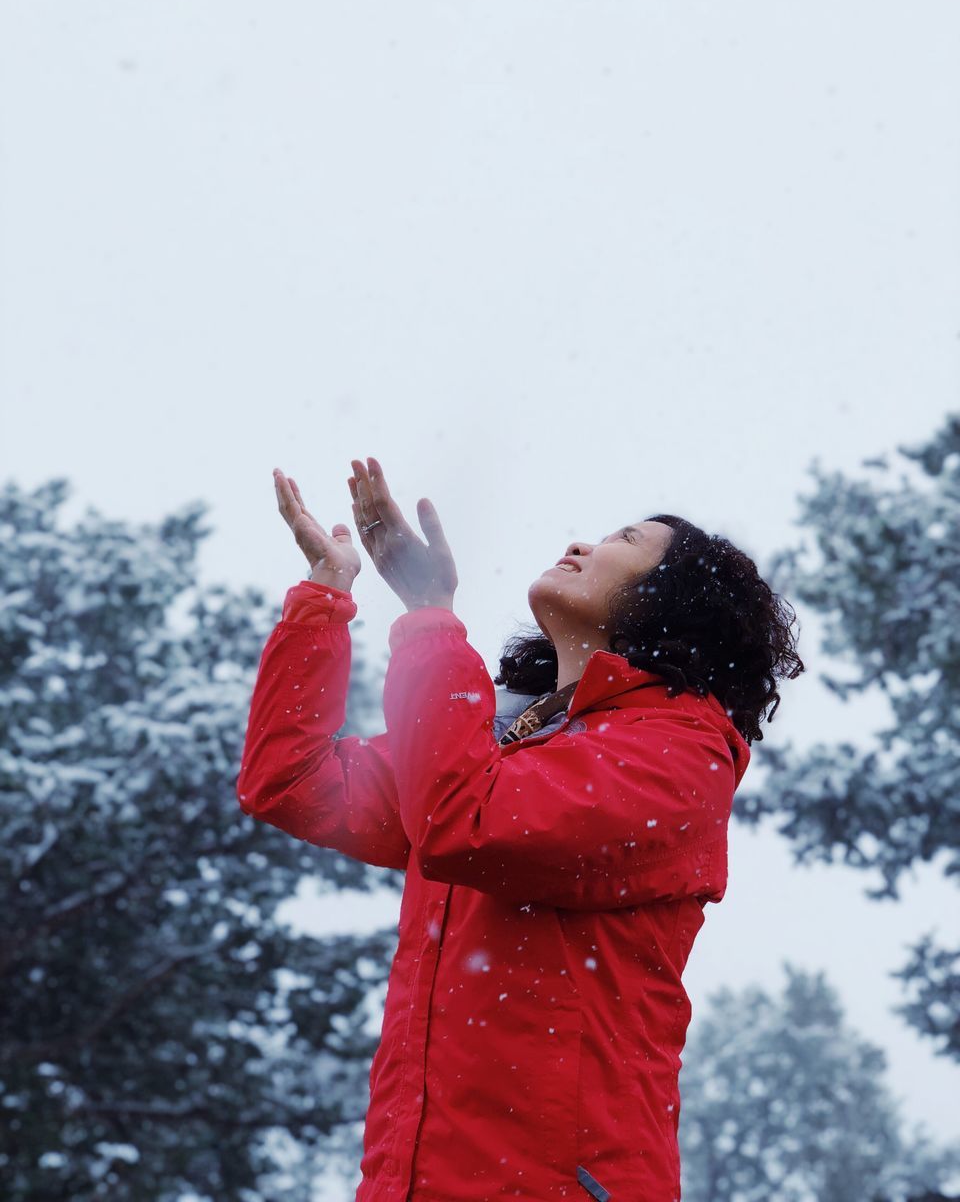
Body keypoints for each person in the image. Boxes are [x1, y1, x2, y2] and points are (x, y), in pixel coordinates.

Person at [236, 458, 804, 1202]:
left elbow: (460, 824)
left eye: (623, 540)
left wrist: (430, 613)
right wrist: (324, 595)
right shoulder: (498, 738)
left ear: (675, 601)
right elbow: (290, 782)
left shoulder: (679, 752)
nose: (581, 544)